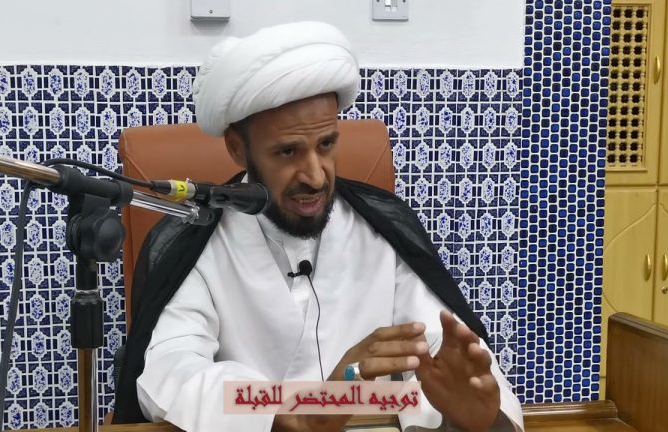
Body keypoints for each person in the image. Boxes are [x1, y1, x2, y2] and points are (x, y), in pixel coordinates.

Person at [113, 21, 524, 432]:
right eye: (287, 152)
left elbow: (445, 353)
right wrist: (299, 410)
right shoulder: (197, 242)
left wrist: (482, 417)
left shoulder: (381, 229)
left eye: (326, 144)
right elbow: (171, 371)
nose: (314, 176)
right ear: (238, 149)